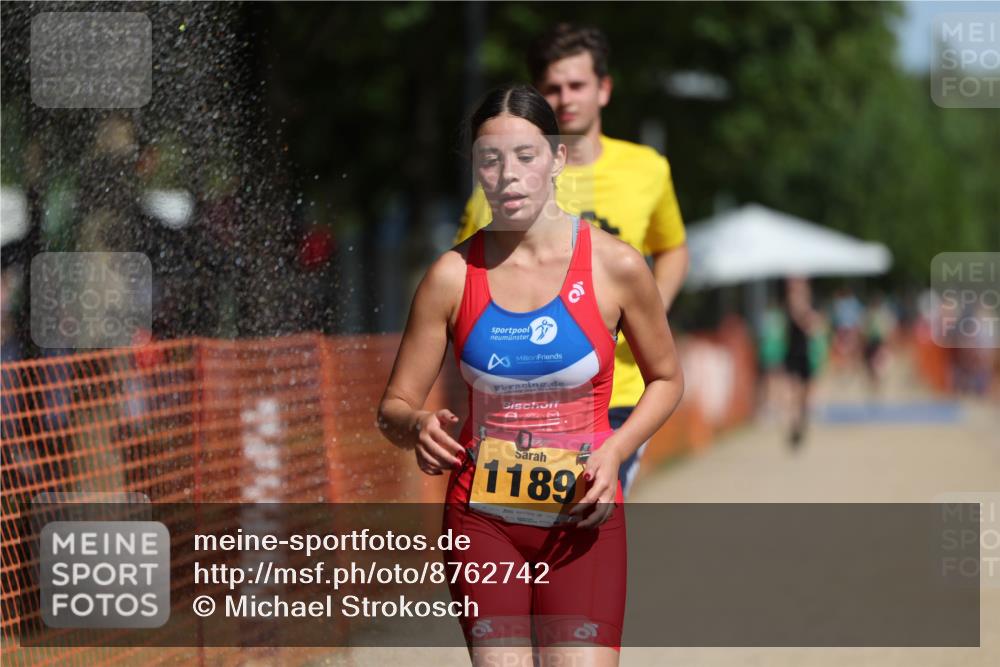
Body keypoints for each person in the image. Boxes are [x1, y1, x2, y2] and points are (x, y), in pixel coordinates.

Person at [379, 84, 683, 665]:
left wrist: (617, 450)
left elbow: (667, 379)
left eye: (525, 156)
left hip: (583, 518)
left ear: (557, 158)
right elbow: (392, 408)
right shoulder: (449, 277)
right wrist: (415, 425)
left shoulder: (616, 266)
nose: (508, 176)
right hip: (481, 520)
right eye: (490, 160)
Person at [454, 23, 688, 497]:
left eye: (577, 85)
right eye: (552, 88)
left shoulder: (647, 169)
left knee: (588, 503)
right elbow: (463, 287)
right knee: (523, 518)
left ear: (604, 88)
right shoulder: (498, 189)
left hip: (619, 392)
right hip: (521, 401)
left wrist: (646, 312)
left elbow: (673, 248)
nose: (565, 99)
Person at [783, 277, 820, 449]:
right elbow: (804, 323)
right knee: (794, 391)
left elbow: (815, 328)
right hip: (793, 354)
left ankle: (801, 419)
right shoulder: (792, 305)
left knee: (805, 392)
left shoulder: (809, 306)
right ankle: (795, 422)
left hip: (805, 355)